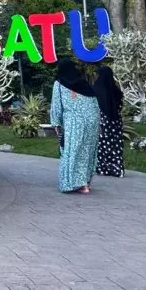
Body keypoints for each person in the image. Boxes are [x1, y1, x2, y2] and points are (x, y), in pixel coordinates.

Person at [50, 58, 100, 194]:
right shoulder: (83, 83)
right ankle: (85, 183)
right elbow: (95, 103)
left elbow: (56, 105)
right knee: (86, 151)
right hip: (92, 121)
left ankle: (72, 183)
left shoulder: (59, 84)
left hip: (74, 121)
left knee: (72, 151)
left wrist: (56, 123)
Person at [93, 65, 124, 177]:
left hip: (102, 120)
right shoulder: (115, 90)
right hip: (115, 121)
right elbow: (120, 104)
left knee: (102, 144)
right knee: (115, 144)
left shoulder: (96, 88)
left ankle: (103, 168)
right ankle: (116, 168)